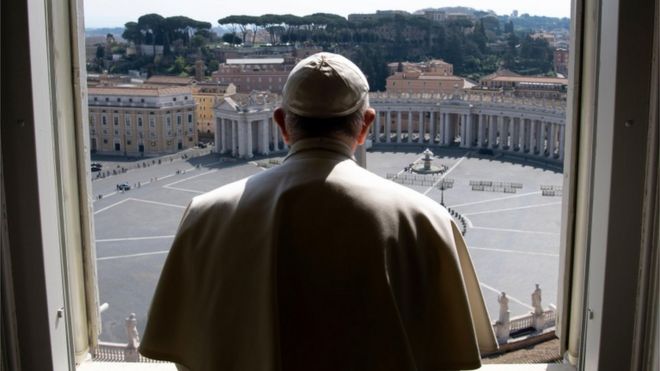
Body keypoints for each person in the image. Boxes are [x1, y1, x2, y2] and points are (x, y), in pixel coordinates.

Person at [139, 52, 497, 371]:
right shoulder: (429, 222)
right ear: (365, 125)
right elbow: (450, 360)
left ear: (281, 123)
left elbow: (185, 357)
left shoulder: (204, 215)